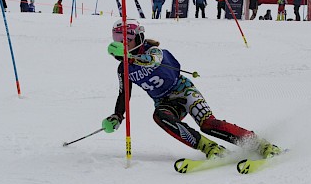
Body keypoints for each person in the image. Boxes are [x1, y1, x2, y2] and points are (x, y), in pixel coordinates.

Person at [103, 19, 282, 161]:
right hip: (165, 102)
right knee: (160, 116)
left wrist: (130, 56)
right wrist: (117, 115)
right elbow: (124, 94)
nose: (122, 44)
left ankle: (260, 145)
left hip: (183, 91)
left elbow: (153, 61)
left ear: (139, 37)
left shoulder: (154, 51)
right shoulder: (123, 69)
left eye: (126, 40)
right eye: (117, 40)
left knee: (208, 124)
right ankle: (210, 148)